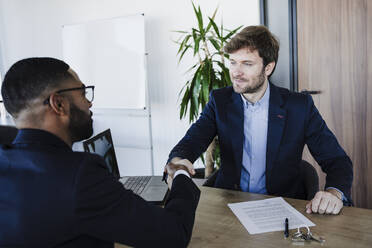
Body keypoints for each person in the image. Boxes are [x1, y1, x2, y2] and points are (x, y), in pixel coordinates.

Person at [0, 57, 200, 247]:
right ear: (59, 104)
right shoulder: (79, 175)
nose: (89, 103)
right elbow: (173, 234)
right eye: (83, 93)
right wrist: (180, 173)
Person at [167, 25, 353, 215]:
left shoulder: (299, 107)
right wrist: (177, 161)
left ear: (268, 67)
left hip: (281, 206)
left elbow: (337, 160)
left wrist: (334, 193)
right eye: (233, 62)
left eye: (247, 64)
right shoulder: (220, 101)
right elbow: (192, 140)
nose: (236, 72)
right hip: (229, 205)